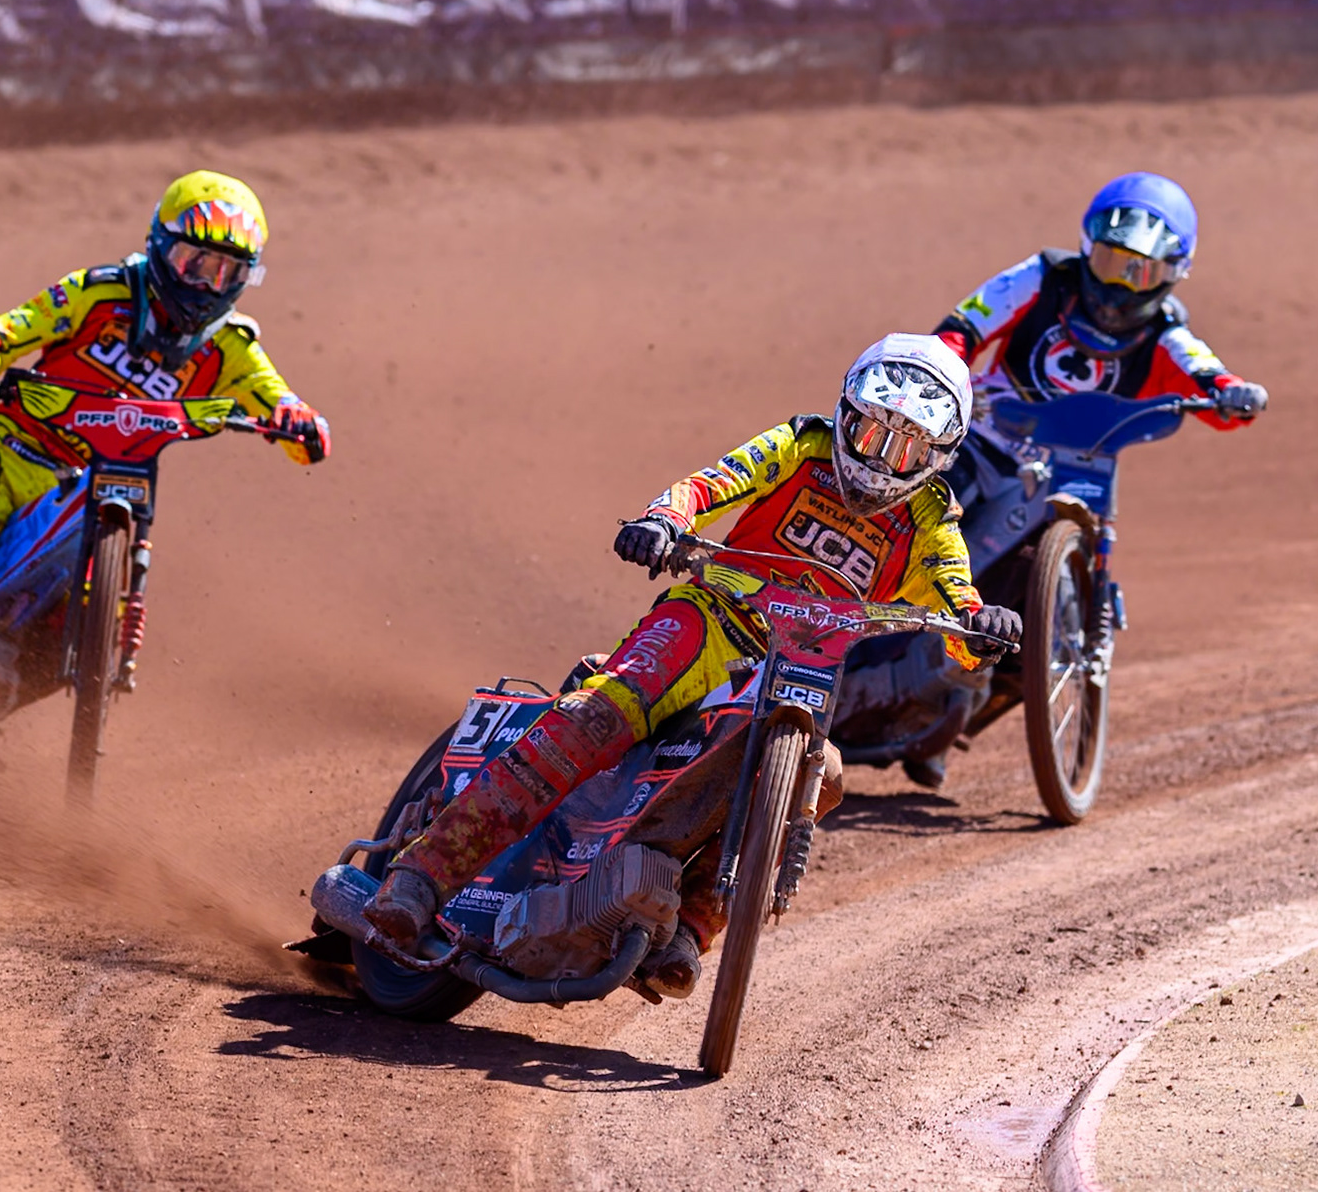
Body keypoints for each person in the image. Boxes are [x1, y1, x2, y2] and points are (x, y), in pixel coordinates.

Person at [364, 334, 1022, 1000]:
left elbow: (957, 605)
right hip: (711, 617)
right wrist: (662, 519)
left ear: (935, 458)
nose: (881, 459)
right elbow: (712, 484)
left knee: (819, 777)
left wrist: (984, 628)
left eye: (904, 447)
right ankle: (418, 878)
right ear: (846, 413)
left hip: (799, 667)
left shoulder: (934, 521)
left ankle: (690, 930)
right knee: (598, 714)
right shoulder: (802, 444)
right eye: (871, 431)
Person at [0, 170, 329, 652]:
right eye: (196, 264)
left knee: (90, 633)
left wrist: (300, 423)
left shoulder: (232, 348)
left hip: (96, 486)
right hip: (6, 454)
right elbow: (7, 331)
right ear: (162, 247)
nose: (207, 285)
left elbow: (281, 405)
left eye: (227, 271)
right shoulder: (99, 292)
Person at [935, 171, 1269, 429]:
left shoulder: (1168, 337)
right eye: (1108, 262)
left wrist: (1235, 395)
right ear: (1086, 246)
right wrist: (936, 377)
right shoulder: (1042, 277)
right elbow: (961, 331)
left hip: (1074, 470)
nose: (1118, 285)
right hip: (981, 433)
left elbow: (1208, 374)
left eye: (1139, 272)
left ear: (1172, 272)